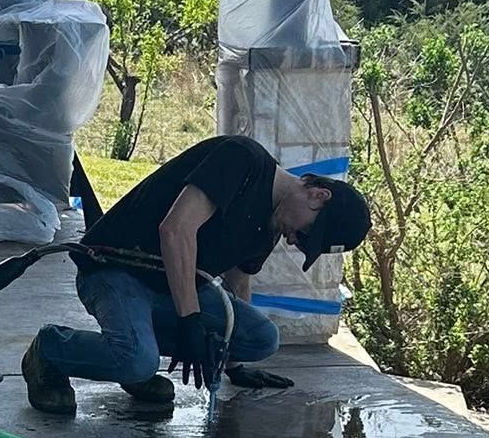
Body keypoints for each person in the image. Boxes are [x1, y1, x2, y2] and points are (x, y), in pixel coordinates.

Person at [21, 134, 371, 414]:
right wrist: (190, 322)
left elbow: (239, 280)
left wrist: (233, 362)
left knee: (262, 338)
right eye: (306, 233)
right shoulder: (242, 159)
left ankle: (138, 352)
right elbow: (175, 230)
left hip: (170, 289)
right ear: (317, 195)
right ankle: (51, 348)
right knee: (136, 360)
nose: (296, 241)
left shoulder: (273, 222)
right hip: (115, 271)